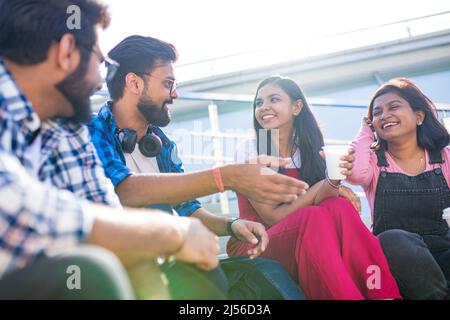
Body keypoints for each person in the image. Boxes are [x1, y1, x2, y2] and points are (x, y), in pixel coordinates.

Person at [0, 0, 222, 299]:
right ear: (67, 53)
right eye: (100, 61)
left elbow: (107, 215)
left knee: (132, 254)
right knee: (91, 272)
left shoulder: (67, 128)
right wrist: (172, 232)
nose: (99, 81)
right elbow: (19, 211)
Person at [88, 36, 269, 260]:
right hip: (117, 263)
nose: (175, 94)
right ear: (134, 83)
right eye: (168, 83)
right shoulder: (92, 132)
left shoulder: (163, 145)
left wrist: (232, 225)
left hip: (168, 260)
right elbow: (124, 192)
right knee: (162, 213)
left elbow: (187, 208)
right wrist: (227, 177)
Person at [226, 75, 401, 300]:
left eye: (273, 99)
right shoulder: (251, 150)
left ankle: (381, 294)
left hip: (307, 236)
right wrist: (321, 187)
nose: (264, 107)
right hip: (257, 242)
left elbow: (322, 199)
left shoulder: (308, 149)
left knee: (338, 206)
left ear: (297, 107)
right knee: (313, 216)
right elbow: (271, 217)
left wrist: (334, 184)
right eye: (259, 103)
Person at [347, 77, 450, 299]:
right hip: (400, 263)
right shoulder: (374, 163)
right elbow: (355, 174)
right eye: (377, 113)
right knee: (392, 239)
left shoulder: (444, 158)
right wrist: (365, 131)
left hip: (445, 252)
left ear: (419, 116)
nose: (384, 115)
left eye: (393, 107)